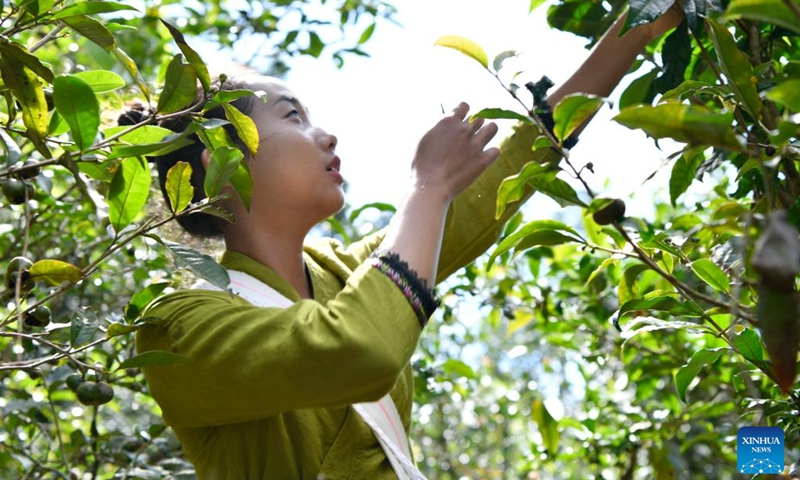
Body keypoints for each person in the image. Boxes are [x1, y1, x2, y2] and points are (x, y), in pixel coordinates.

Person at [134, 6, 684, 480]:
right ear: (223, 164)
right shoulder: (176, 328)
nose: (326, 135)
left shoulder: (343, 272)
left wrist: (644, 24)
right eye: (292, 115)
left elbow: (515, 163)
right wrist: (429, 187)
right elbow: (359, 349)